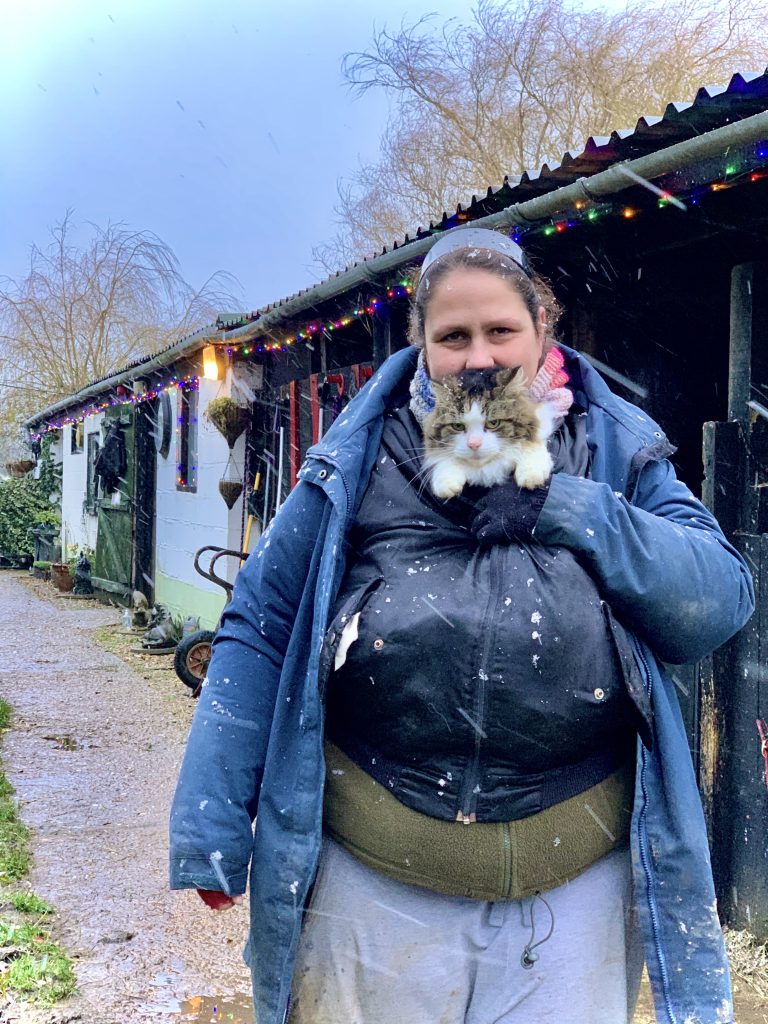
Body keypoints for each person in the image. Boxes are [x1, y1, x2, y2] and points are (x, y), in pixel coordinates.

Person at [169, 226, 754, 1024]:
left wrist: (571, 508)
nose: (478, 357)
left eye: (500, 330)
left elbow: (718, 601)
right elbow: (262, 623)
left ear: (541, 328)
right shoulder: (358, 457)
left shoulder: (616, 449)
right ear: (422, 348)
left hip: (575, 889)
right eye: (453, 336)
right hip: (374, 883)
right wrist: (211, 814)